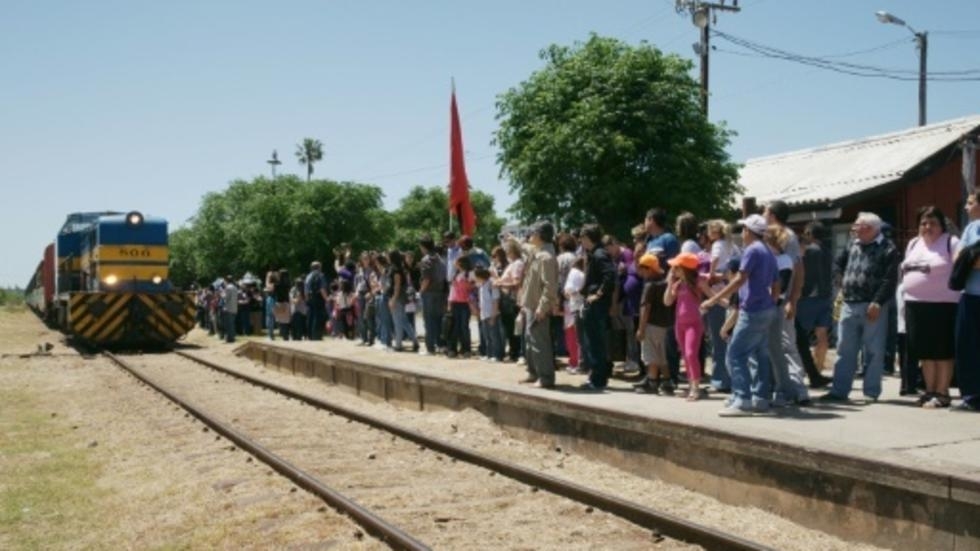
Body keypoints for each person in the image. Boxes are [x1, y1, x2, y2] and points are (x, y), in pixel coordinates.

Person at [701, 214, 779, 416]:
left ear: (748, 231)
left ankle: (742, 400)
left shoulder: (752, 250)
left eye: (743, 229)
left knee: (735, 354)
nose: (741, 233)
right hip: (766, 308)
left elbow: (739, 280)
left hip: (752, 309)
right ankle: (759, 399)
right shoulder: (768, 251)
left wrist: (712, 299)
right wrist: (771, 301)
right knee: (759, 354)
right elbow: (777, 282)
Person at [819, 212, 900, 404]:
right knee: (844, 349)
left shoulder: (888, 248)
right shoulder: (852, 243)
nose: (853, 229)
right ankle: (839, 391)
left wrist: (877, 302)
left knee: (874, 350)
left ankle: (871, 392)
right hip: (849, 302)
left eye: (857, 226)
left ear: (870, 228)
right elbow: (838, 263)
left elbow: (889, 280)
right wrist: (839, 277)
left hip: (872, 305)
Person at [901, 206, 960, 408]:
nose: (927, 227)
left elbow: (962, 267)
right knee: (925, 352)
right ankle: (929, 391)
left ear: (942, 225)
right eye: (923, 223)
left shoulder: (951, 242)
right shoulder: (913, 243)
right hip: (915, 305)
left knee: (942, 351)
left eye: (933, 223)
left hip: (944, 305)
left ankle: (942, 393)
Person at [763, 224, 810, 406]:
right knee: (773, 348)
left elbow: (798, 276)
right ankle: (778, 388)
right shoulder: (770, 257)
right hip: (772, 305)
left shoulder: (787, 256)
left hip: (780, 304)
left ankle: (797, 389)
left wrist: (793, 300)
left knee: (787, 346)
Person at [663, 252, 713, 401]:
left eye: (676, 268)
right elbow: (667, 302)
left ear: (684, 268)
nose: (673, 270)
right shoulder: (678, 284)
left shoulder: (698, 281)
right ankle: (692, 385)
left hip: (694, 324)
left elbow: (712, 295)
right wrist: (670, 283)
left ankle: (696, 387)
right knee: (685, 356)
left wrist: (727, 303)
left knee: (691, 354)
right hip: (680, 324)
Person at [517, 221, 560, 388]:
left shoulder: (546, 257)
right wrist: (515, 241)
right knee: (530, 341)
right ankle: (533, 373)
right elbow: (526, 247)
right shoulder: (538, 251)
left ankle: (546, 378)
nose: (530, 236)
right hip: (530, 305)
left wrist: (542, 308)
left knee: (540, 343)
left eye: (532, 232)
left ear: (541, 235)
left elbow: (550, 286)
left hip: (538, 307)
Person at [795, 222, 834, 388]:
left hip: (809, 298)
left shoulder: (810, 251)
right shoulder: (828, 251)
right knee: (822, 335)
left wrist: (801, 293)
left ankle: (807, 371)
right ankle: (817, 370)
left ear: (810, 233)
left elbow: (809, 276)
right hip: (825, 296)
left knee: (800, 336)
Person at [579, 223, 617, 391]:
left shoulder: (600, 254)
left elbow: (610, 275)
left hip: (597, 305)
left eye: (582, 237)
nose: (581, 241)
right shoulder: (595, 253)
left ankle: (598, 379)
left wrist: (598, 294)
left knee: (595, 342)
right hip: (593, 303)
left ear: (588, 238)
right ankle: (596, 376)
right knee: (593, 342)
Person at [633, 253, 674, 395]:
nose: (640, 272)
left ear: (649, 269)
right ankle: (667, 381)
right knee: (661, 356)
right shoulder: (664, 283)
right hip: (664, 324)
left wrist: (641, 328)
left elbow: (645, 307)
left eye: (642, 269)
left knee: (651, 356)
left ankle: (652, 381)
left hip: (651, 324)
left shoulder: (649, 286)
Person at [954, 190, 980, 412]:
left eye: (970, 202)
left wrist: (968, 258)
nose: (966, 206)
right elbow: (957, 257)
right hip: (970, 295)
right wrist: (970, 257)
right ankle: (971, 396)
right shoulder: (971, 228)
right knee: (967, 347)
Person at [705, 219, 737, 392]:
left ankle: (719, 379)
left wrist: (710, 274)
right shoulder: (732, 244)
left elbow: (715, 259)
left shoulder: (717, 244)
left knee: (718, 338)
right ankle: (728, 377)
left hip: (718, 291)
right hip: (730, 291)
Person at [494, 238, 526, 362]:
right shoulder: (512, 264)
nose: (506, 253)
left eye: (508, 250)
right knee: (509, 328)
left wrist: (501, 284)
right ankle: (514, 352)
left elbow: (516, 282)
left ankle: (516, 353)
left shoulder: (518, 263)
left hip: (512, 299)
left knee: (513, 328)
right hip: (506, 299)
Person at [418, 236, 448, 356]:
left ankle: (430, 347)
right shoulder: (439, 258)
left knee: (429, 321)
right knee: (438, 319)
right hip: (440, 292)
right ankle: (441, 344)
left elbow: (426, 279)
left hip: (429, 293)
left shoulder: (426, 259)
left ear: (423, 246)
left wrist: (421, 291)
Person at [447, 255, 474, 359]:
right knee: (454, 326)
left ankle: (466, 349)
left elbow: (473, 287)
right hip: (455, 302)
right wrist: (449, 303)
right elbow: (452, 290)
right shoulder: (456, 274)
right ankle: (452, 349)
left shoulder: (469, 274)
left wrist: (466, 284)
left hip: (465, 303)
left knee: (464, 327)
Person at [474, 266, 503, 362]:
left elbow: (495, 300)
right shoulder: (482, 285)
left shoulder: (491, 284)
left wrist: (493, 316)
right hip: (484, 314)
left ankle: (497, 355)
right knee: (487, 336)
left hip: (491, 314)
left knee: (494, 336)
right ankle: (489, 354)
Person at [563, 255, 586, 374]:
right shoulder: (581, 274)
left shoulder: (576, 273)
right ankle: (576, 361)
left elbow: (568, 290)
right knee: (575, 337)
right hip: (574, 307)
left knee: (576, 338)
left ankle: (577, 362)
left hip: (575, 307)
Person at [305, 261, 328, 340]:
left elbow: (306, 290)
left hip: (310, 298)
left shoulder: (308, 276)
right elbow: (322, 289)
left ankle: (310, 335)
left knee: (310, 316)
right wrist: (326, 298)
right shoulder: (320, 275)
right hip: (318, 298)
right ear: (319, 267)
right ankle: (316, 335)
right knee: (318, 317)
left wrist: (307, 299)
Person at [222, 275, 239, 343]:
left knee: (229, 324)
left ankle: (230, 338)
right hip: (234, 308)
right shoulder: (235, 287)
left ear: (227, 281)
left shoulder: (228, 288)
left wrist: (222, 295)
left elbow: (226, 298)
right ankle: (232, 337)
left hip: (228, 308)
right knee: (232, 323)